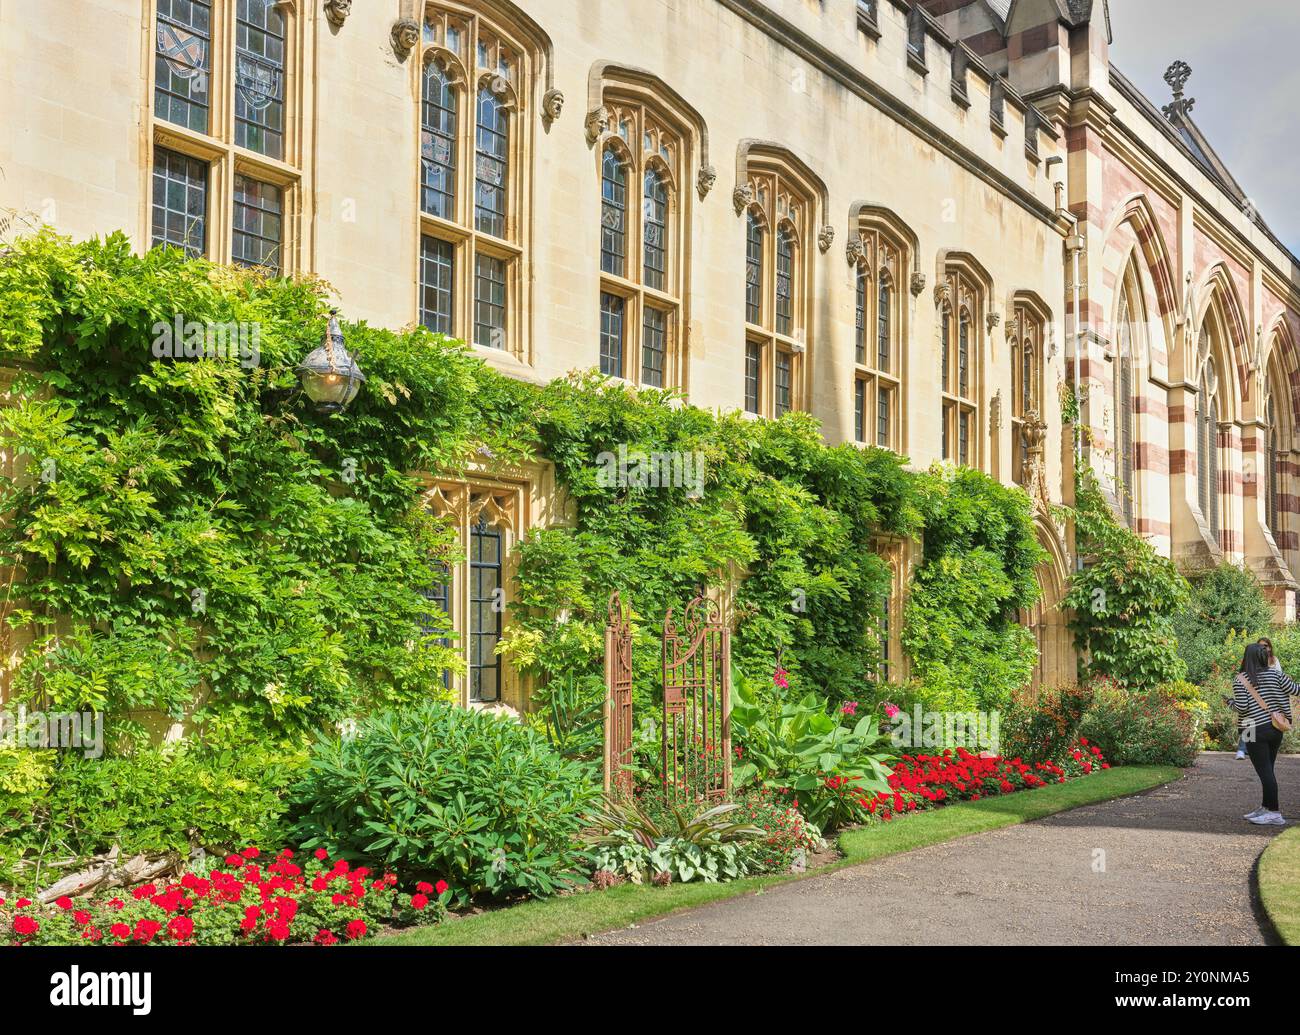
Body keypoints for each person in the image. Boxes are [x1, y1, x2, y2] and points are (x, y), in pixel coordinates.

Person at [1231, 641, 1297, 825]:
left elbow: (1243, 708)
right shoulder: (1277, 675)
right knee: (1268, 769)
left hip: (1253, 728)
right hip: (1276, 728)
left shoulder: (1241, 679)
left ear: (1247, 658)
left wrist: (1230, 704)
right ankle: (1266, 807)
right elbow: (1296, 690)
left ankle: (1274, 812)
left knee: (1265, 771)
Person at [1235, 638, 1283, 760]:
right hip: (1254, 697)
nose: (1263, 648)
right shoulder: (1250, 667)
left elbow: (1279, 680)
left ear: (1270, 647)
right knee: (1247, 721)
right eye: (1260, 645)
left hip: (1266, 698)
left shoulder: (1273, 661)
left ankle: (1253, 751)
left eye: (1265, 645)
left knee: (1253, 720)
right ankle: (1242, 749)